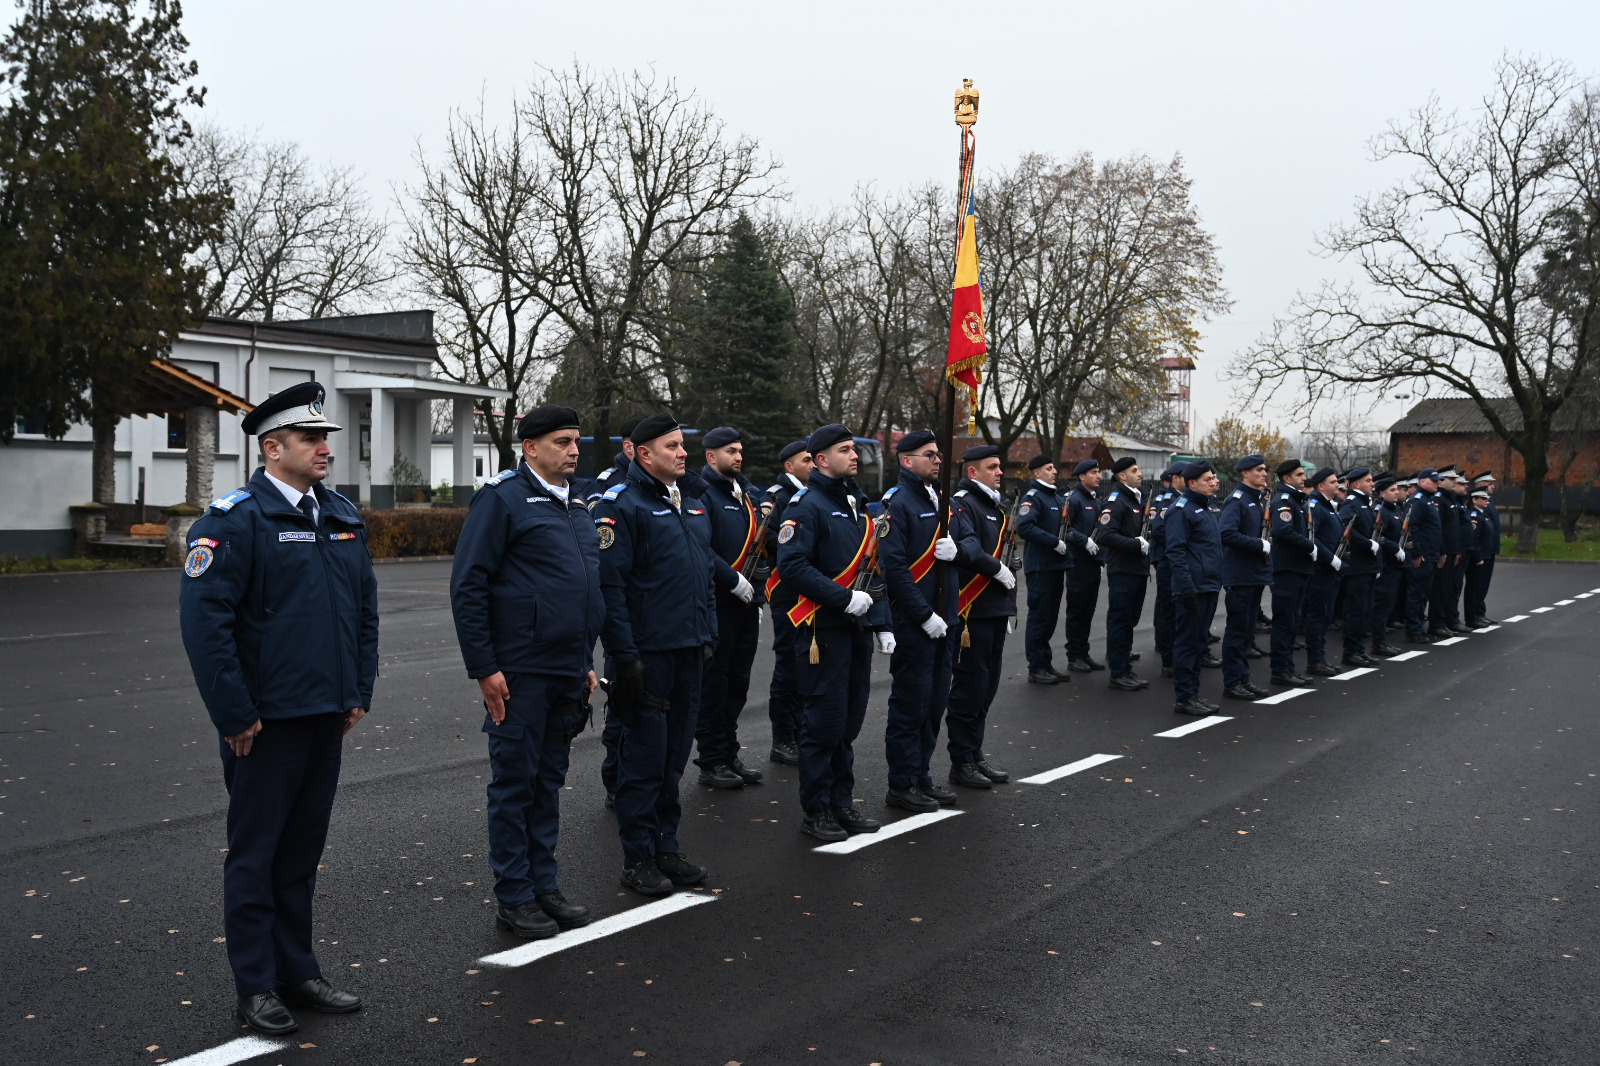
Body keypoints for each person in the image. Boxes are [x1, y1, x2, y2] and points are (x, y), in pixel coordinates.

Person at [179, 381, 376, 1036]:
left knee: (301, 852)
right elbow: (208, 629)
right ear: (273, 447)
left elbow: (363, 612)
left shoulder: (341, 514)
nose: (325, 448)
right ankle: (256, 985)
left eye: (326, 438)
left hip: (326, 713)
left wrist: (357, 691)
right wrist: (234, 713)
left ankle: (298, 969)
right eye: (312, 438)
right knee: (257, 854)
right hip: (265, 723)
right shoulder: (234, 521)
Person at [450, 405, 602, 940]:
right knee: (515, 784)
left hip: (566, 670)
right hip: (519, 672)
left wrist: (584, 661)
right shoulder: (502, 500)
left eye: (576, 442)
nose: (574, 450)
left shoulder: (578, 504)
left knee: (549, 783)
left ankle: (545, 885)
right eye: (562, 442)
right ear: (530, 448)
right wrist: (485, 667)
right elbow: (468, 585)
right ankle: (514, 896)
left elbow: (584, 593)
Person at [592, 413, 718, 895]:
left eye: (682, 445)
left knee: (673, 759)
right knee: (643, 762)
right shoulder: (621, 506)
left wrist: (708, 636)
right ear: (644, 454)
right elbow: (611, 588)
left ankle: (667, 847)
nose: (683, 453)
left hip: (688, 650)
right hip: (647, 656)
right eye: (672, 447)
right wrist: (626, 657)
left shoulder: (687, 503)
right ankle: (638, 856)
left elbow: (702, 574)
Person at [775, 424, 892, 842]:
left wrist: (882, 622)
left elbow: (873, 568)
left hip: (856, 629)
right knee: (823, 724)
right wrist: (842, 599)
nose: (855, 456)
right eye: (845, 450)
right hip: (822, 630)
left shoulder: (858, 504)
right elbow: (792, 566)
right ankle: (817, 810)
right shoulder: (805, 507)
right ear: (822, 460)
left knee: (848, 724)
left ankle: (842, 802)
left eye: (854, 449)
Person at [876, 430, 976, 812]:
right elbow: (894, 568)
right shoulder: (896, 503)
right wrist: (923, 614)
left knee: (935, 704)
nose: (938, 461)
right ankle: (901, 783)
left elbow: (970, 544)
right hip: (916, 623)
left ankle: (921, 776)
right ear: (907, 461)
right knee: (911, 705)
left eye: (938, 455)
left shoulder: (943, 500)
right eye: (929, 455)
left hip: (946, 619)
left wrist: (959, 550)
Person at [692, 426, 765, 791]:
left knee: (738, 682)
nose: (737, 457)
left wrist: (757, 590)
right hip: (719, 600)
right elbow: (702, 548)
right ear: (711, 456)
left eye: (739, 450)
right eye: (729, 451)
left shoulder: (745, 494)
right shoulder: (703, 495)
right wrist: (733, 580)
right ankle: (711, 758)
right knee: (715, 684)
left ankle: (729, 750)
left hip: (746, 603)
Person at [945, 445, 1020, 787]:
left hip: (995, 609)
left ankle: (975, 755)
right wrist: (996, 570)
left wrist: (1009, 605)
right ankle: (961, 761)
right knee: (970, 689)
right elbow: (969, 552)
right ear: (973, 472)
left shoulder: (994, 507)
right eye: (992, 467)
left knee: (986, 689)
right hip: (972, 613)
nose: (1000, 472)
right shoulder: (964, 504)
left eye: (1000, 467)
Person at [762, 440, 812, 765]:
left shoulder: (814, 495)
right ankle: (782, 739)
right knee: (788, 667)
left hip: (810, 591)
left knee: (808, 666)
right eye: (806, 459)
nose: (813, 464)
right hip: (786, 592)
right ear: (788, 466)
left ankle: (800, 732)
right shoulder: (776, 497)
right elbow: (770, 539)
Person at [1163, 460, 1223, 715]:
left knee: (1199, 642)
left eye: (1213, 478)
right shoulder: (1181, 509)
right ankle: (1185, 697)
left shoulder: (1206, 508)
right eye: (1207, 479)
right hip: (1193, 588)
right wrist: (1187, 588)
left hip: (1208, 585)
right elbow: (1175, 551)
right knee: (1188, 643)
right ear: (1192, 483)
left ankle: (1193, 694)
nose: (1213, 482)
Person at [1217, 455, 1273, 701]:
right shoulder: (1237, 500)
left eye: (1264, 470)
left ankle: (1243, 678)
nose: (1264, 474)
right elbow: (1226, 533)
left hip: (1253, 575)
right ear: (1245, 474)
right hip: (1239, 576)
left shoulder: (1256, 500)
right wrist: (1258, 544)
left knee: (1247, 631)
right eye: (1259, 470)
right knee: (1238, 631)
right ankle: (1232, 682)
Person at [1013, 452, 1072, 684]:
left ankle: (1045, 663)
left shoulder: (1055, 498)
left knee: (1049, 618)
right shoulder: (1034, 497)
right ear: (1037, 473)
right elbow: (1025, 527)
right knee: (1039, 618)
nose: (1055, 471)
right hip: (1040, 567)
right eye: (1049, 468)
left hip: (1055, 566)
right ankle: (1036, 667)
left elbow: (1064, 528)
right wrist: (1053, 542)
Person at [1097, 456, 1152, 691]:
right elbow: (1105, 535)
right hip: (1124, 570)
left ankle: (1124, 667)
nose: (1139, 474)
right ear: (1122, 476)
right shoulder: (1117, 501)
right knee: (1121, 621)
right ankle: (1119, 673)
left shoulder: (1134, 499)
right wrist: (1136, 544)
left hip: (1136, 569)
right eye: (1134, 470)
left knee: (1129, 620)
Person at [1268, 459, 1317, 687]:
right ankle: (1280, 669)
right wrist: (1309, 546)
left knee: (1292, 621)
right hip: (1287, 569)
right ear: (1286, 479)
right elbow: (1282, 531)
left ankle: (1287, 667)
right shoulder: (1284, 500)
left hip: (1297, 568)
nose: (1303, 478)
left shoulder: (1297, 500)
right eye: (1299, 474)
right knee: (1285, 622)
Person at [1336, 467, 1383, 667]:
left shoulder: (1365, 503)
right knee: (1355, 610)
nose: (1373, 484)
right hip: (1357, 567)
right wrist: (1366, 543)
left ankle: (1359, 650)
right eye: (1369, 481)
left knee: (1365, 610)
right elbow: (1345, 529)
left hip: (1367, 566)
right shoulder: (1352, 503)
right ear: (1356, 484)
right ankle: (1351, 652)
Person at [1301, 467, 1345, 677]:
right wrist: (1330, 558)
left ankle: (1320, 658)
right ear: (1321, 486)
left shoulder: (1328, 505)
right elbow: (1312, 537)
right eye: (1333, 482)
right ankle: (1315, 660)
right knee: (1317, 616)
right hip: (1320, 569)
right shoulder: (1316, 506)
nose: (1338, 485)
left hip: (1330, 570)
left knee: (1325, 615)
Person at [1063, 459, 1105, 671]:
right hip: (1078, 563)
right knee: (1077, 610)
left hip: (1092, 563)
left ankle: (1083, 652)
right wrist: (1084, 541)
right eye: (1094, 472)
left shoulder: (1096, 501)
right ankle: (1074, 656)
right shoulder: (1073, 499)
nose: (1099, 476)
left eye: (1099, 472)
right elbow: (1065, 529)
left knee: (1088, 609)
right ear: (1082, 476)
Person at [1150, 465, 1186, 677]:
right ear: (1175, 478)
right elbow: (1161, 531)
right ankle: (1168, 658)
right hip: (1168, 561)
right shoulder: (1166, 501)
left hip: (1182, 562)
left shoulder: (1187, 500)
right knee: (1168, 609)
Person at [1403, 469, 1445, 643]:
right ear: (1421, 482)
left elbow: (1434, 529)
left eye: (1438, 481)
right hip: (1422, 556)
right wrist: (1417, 552)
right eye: (1433, 480)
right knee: (1417, 594)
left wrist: (1440, 552)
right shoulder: (1418, 501)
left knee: (1423, 594)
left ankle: (1418, 627)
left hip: (1430, 554)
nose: (1437, 483)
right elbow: (1410, 528)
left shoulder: (1429, 501)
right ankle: (1414, 630)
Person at [1368, 472, 1407, 657]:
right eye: (1392, 490)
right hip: (1384, 564)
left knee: (1388, 604)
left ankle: (1382, 639)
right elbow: (1378, 537)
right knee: (1381, 605)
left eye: (1397, 489)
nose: (1397, 492)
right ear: (1382, 493)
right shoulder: (1380, 511)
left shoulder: (1394, 509)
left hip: (1394, 565)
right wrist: (1394, 548)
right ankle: (1378, 642)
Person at [1429, 467, 1466, 637]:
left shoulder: (1450, 499)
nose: (1455, 482)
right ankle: (1436, 623)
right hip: (1443, 553)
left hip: (1452, 551)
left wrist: (1456, 550)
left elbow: (1454, 529)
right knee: (1440, 589)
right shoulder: (1439, 500)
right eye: (1451, 479)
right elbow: (1439, 529)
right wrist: (1442, 551)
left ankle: (1445, 621)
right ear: (1442, 481)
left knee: (1449, 588)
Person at [1464, 472, 1500, 626]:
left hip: (1488, 551)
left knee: (1482, 585)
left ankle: (1479, 613)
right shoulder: (1475, 513)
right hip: (1481, 554)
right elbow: (1474, 536)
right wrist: (1478, 556)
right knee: (1475, 586)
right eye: (1488, 483)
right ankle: (1474, 616)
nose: (1492, 487)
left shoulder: (1485, 508)